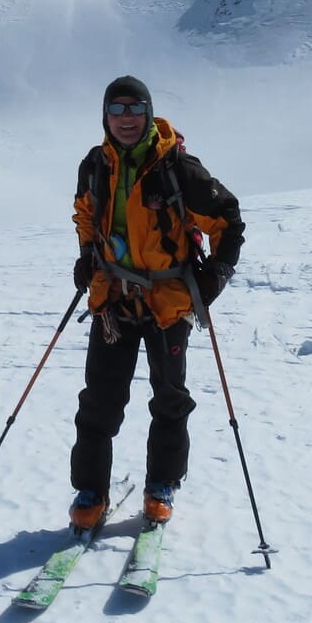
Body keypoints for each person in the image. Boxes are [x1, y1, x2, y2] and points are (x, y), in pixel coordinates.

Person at [67, 75, 244, 530]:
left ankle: (162, 485)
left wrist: (216, 274)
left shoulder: (178, 169)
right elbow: (86, 213)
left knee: (169, 398)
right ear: (105, 116)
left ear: (148, 114)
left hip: (167, 302)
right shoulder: (95, 165)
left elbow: (228, 220)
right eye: (117, 109)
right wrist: (87, 256)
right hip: (113, 300)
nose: (126, 118)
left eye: (135, 108)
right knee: (99, 401)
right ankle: (91, 492)